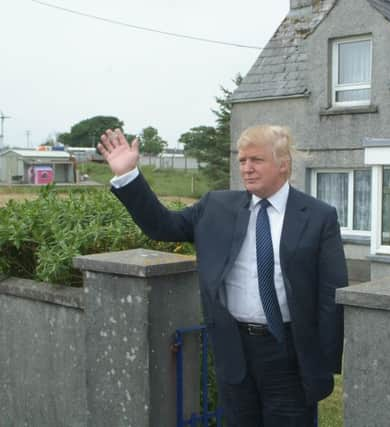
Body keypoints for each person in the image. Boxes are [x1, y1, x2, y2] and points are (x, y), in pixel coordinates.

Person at [98, 125, 347, 426]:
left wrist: (324, 362)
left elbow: (331, 293)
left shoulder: (319, 216)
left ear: (283, 164)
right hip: (235, 351)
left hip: (290, 354)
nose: (247, 168)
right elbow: (162, 226)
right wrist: (129, 176)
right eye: (242, 161)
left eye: (256, 160)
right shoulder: (216, 207)